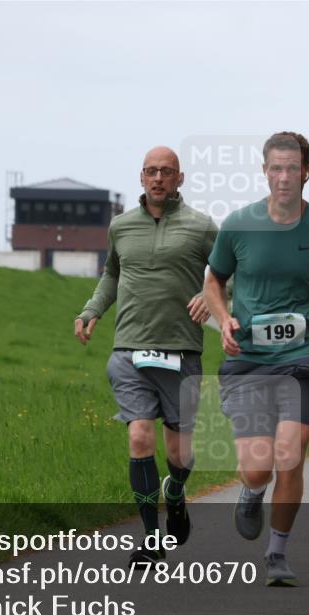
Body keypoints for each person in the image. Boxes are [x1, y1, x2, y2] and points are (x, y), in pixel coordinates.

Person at [203, 131, 309, 587]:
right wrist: (224, 319)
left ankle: (277, 553)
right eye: (276, 167)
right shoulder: (239, 224)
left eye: (293, 168)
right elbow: (213, 281)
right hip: (249, 358)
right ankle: (252, 490)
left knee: (290, 456)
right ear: (264, 171)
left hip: (304, 356)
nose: (284, 176)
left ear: (307, 173)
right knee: (258, 466)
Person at [75, 146, 216, 565]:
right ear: (141, 177)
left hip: (182, 350)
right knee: (139, 437)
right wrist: (91, 310)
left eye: (166, 172)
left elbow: (230, 269)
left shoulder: (201, 226)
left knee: (179, 454)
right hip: (129, 348)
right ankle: (152, 539)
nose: (158, 178)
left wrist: (213, 295)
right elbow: (112, 274)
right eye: (151, 171)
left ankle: (175, 491)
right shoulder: (120, 226)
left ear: (179, 178)